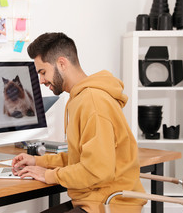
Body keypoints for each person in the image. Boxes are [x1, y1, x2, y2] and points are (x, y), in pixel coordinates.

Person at [11, 32, 146, 213]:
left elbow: (96, 170)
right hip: (94, 202)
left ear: (62, 63)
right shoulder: (80, 98)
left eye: (43, 72)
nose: (41, 80)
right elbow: (80, 158)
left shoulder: (93, 102)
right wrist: (38, 161)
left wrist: (49, 175)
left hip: (109, 206)